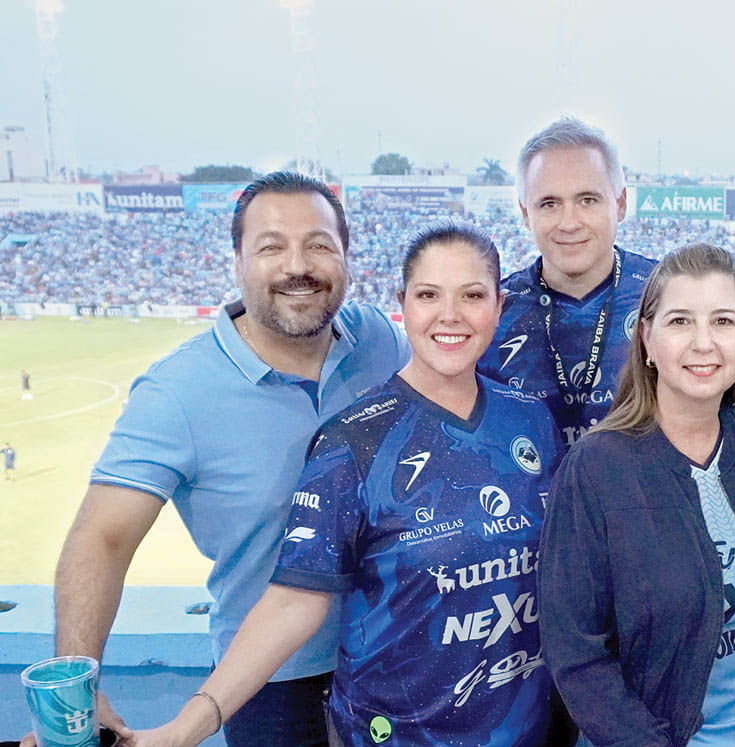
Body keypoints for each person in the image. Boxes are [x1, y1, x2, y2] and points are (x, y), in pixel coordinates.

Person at [131, 222, 561, 747]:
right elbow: (295, 600)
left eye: (472, 295)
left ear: (498, 306)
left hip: (525, 730)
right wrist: (185, 728)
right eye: (429, 295)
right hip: (392, 735)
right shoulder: (352, 441)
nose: (450, 315)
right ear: (403, 304)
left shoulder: (532, 421)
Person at [41, 172, 410, 746]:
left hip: (397, 652)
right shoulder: (178, 392)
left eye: (319, 244)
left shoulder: (380, 341)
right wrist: (77, 683)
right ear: (237, 261)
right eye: (271, 246)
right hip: (268, 682)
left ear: (347, 259)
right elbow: (101, 539)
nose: (298, 265)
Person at [539, 244, 735, 746]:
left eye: (724, 321)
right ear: (646, 337)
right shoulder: (596, 469)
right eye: (680, 321)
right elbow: (576, 654)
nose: (703, 343)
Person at [477, 117, 656, 448]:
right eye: (549, 204)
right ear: (525, 213)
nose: (569, 223)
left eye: (587, 200)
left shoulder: (667, 296)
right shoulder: (490, 312)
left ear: (620, 203)